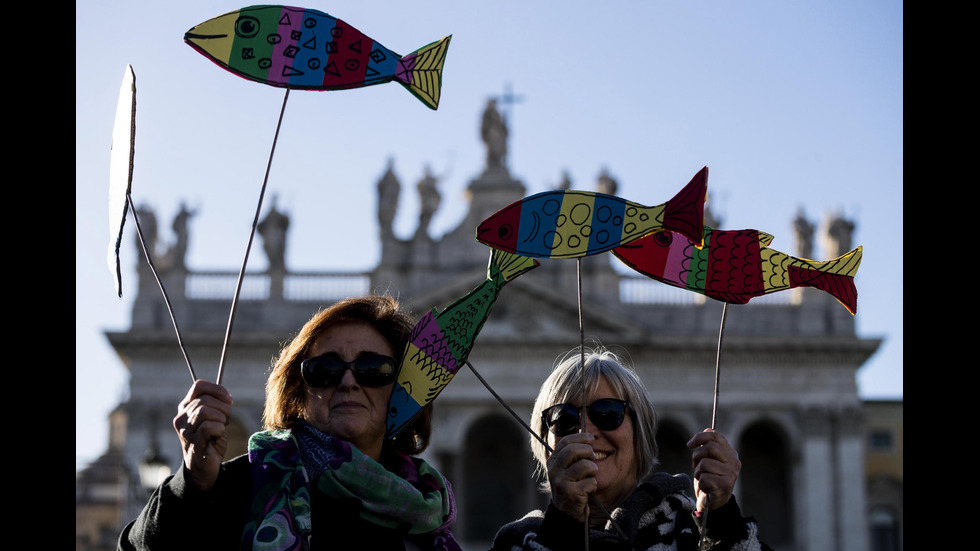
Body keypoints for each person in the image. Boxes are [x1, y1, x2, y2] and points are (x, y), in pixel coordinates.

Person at [119, 296, 462, 550]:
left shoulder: (425, 504)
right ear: (298, 392)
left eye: (373, 369)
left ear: (404, 390)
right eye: (325, 371)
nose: (348, 382)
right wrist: (191, 484)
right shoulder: (246, 484)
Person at [490, 347, 771, 551]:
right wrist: (563, 529)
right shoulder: (516, 542)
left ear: (641, 433)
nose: (586, 432)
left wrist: (721, 522)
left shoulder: (690, 531)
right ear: (544, 443)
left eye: (608, 413)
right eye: (564, 418)